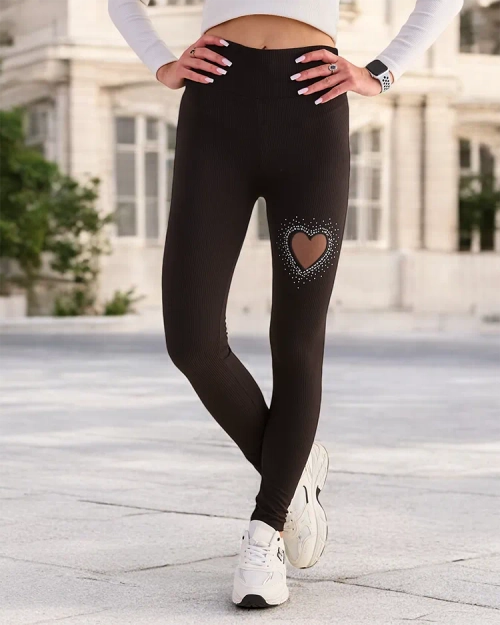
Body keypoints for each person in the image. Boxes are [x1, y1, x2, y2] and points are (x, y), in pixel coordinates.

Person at [108, 0, 464, 609]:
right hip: (215, 106)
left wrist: (381, 72)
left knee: (296, 340)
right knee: (192, 340)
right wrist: (160, 63)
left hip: (311, 108)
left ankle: (265, 531)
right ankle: (296, 468)